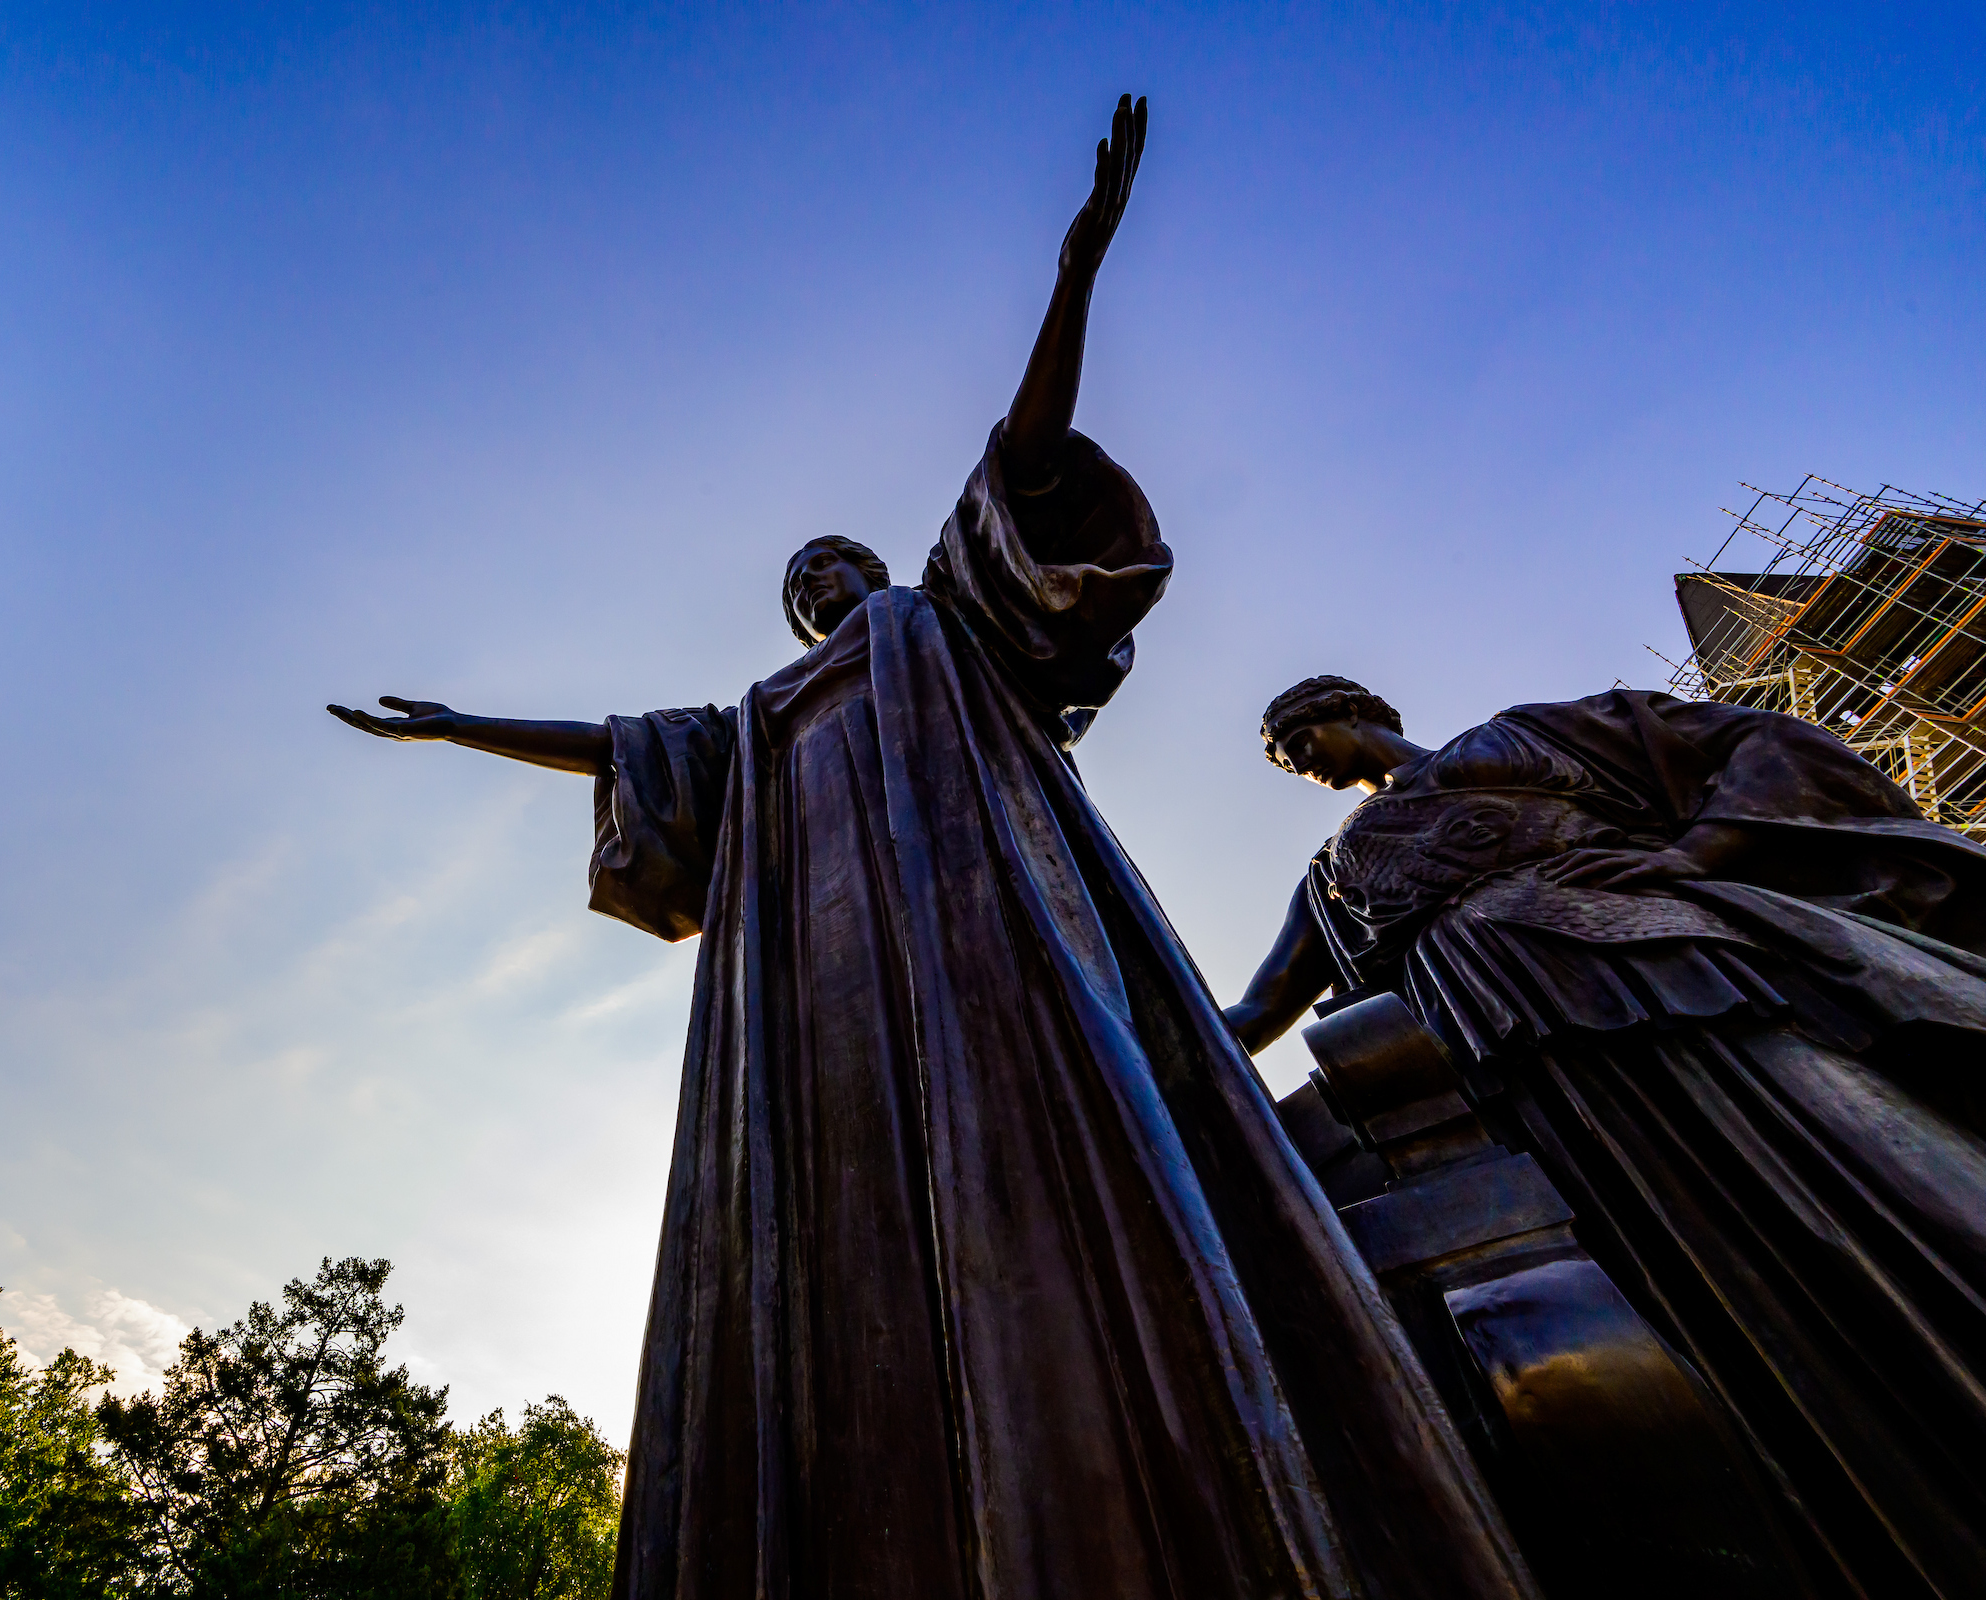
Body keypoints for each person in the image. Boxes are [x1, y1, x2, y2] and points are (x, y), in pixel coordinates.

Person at [332, 107, 1535, 1600]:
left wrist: (1076, 271)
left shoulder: (943, 622)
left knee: (1065, 1163)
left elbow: (1022, 456)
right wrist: (460, 728)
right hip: (818, 996)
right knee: (833, 1234)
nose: (818, 579)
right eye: (797, 583)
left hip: (993, 937)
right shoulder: (765, 720)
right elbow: (620, 743)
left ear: (880, 568)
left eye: (833, 559)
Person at [1227, 674, 1986, 1600]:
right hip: (1508, 1073)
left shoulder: (1516, 740)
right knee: (1664, 1297)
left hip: (1659, 965)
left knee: (1852, 1164)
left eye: (1295, 739)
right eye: (1279, 758)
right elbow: (1260, 1008)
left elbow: (1761, 742)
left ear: (1351, 712)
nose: (1293, 764)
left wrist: (1702, 849)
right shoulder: (1332, 872)